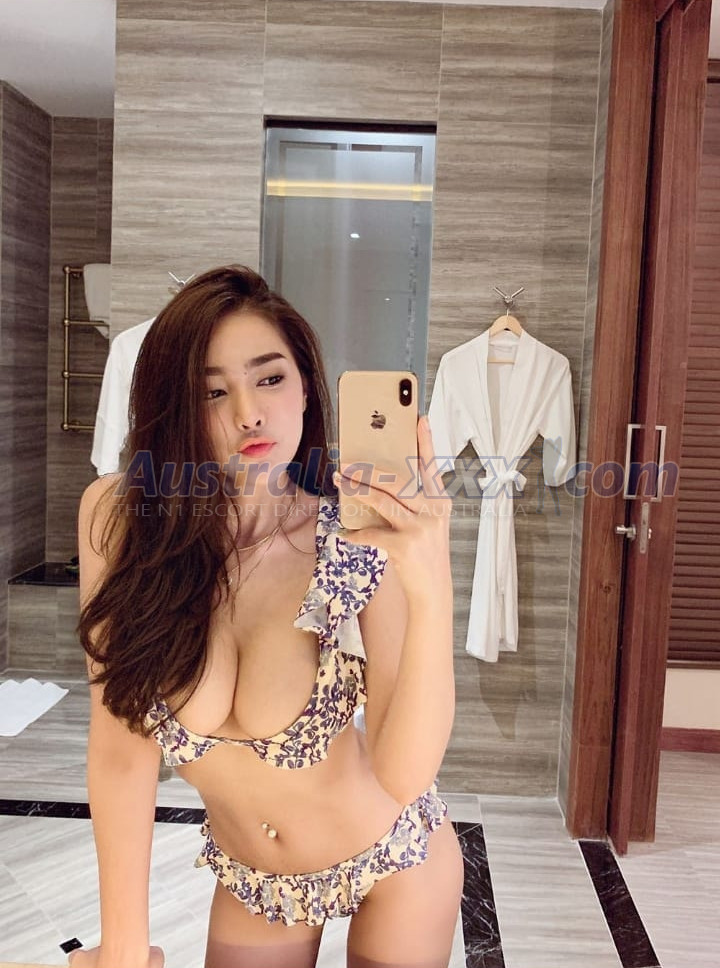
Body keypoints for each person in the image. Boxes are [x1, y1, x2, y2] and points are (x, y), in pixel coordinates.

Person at [71, 265, 463, 968]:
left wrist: (431, 580)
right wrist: (123, 946)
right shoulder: (119, 520)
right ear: (173, 407)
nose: (248, 412)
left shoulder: (354, 535)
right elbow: (119, 749)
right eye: (213, 391)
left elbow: (403, 773)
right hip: (257, 883)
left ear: (307, 387)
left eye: (270, 378)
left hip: (396, 857)